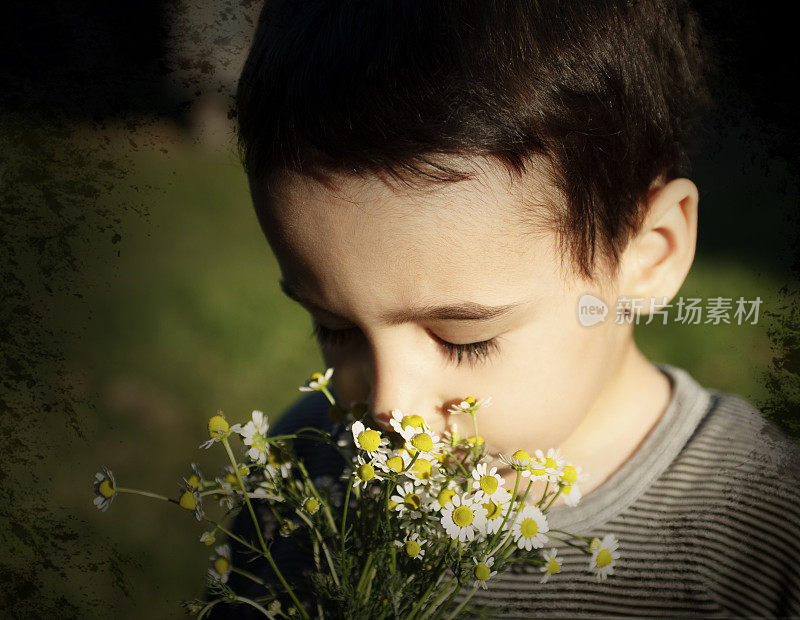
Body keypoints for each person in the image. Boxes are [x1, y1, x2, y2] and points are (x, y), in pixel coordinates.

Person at [208, 1, 800, 617]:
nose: (389, 413)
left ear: (649, 255)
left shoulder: (764, 531)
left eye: (463, 339)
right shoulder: (301, 473)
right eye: (333, 328)